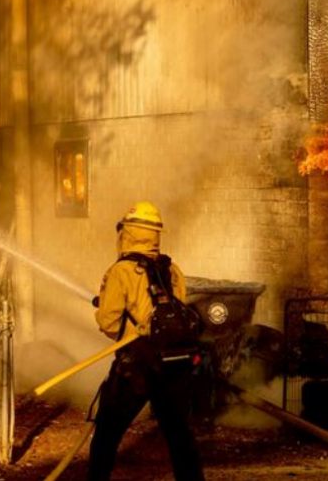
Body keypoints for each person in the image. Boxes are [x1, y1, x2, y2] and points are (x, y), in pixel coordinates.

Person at [88, 201, 204, 481]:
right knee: (180, 437)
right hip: (174, 365)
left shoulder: (121, 272)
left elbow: (108, 322)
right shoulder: (172, 269)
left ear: (127, 232)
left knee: (106, 434)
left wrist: (112, 315)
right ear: (155, 234)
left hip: (136, 368)